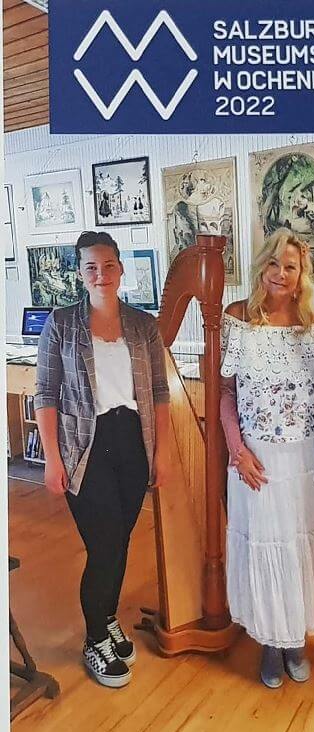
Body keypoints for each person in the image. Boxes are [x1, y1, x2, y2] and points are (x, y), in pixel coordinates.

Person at [35, 231, 170, 689]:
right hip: (84, 447)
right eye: (91, 266)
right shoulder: (61, 324)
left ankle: (107, 616)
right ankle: (95, 639)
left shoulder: (143, 325)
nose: (101, 274)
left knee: (120, 540)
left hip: (132, 442)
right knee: (105, 545)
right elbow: (45, 394)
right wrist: (52, 460)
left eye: (108, 265)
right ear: (80, 273)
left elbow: (159, 392)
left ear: (120, 268)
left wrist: (162, 453)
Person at [220, 228, 314, 689]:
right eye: (273, 263)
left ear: (301, 272)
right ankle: (271, 642)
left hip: (305, 457)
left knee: (298, 546)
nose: (281, 273)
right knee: (266, 545)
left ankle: (296, 642)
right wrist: (238, 450)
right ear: (261, 267)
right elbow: (225, 394)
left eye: (290, 266)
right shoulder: (237, 317)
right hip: (256, 458)